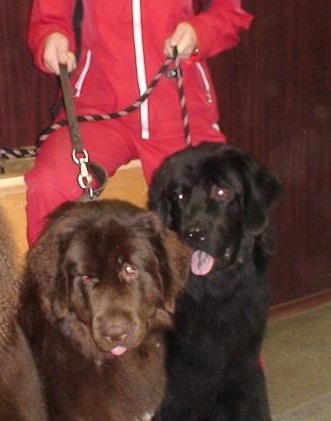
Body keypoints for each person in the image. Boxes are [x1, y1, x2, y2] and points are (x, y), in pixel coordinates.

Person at [25, 0, 253, 245]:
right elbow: (49, 18)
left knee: (215, 208)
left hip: (180, 109)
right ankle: (48, 281)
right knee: (52, 184)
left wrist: (201, 31)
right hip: (98, 109)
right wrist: (51, 38)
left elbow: (229, 12)